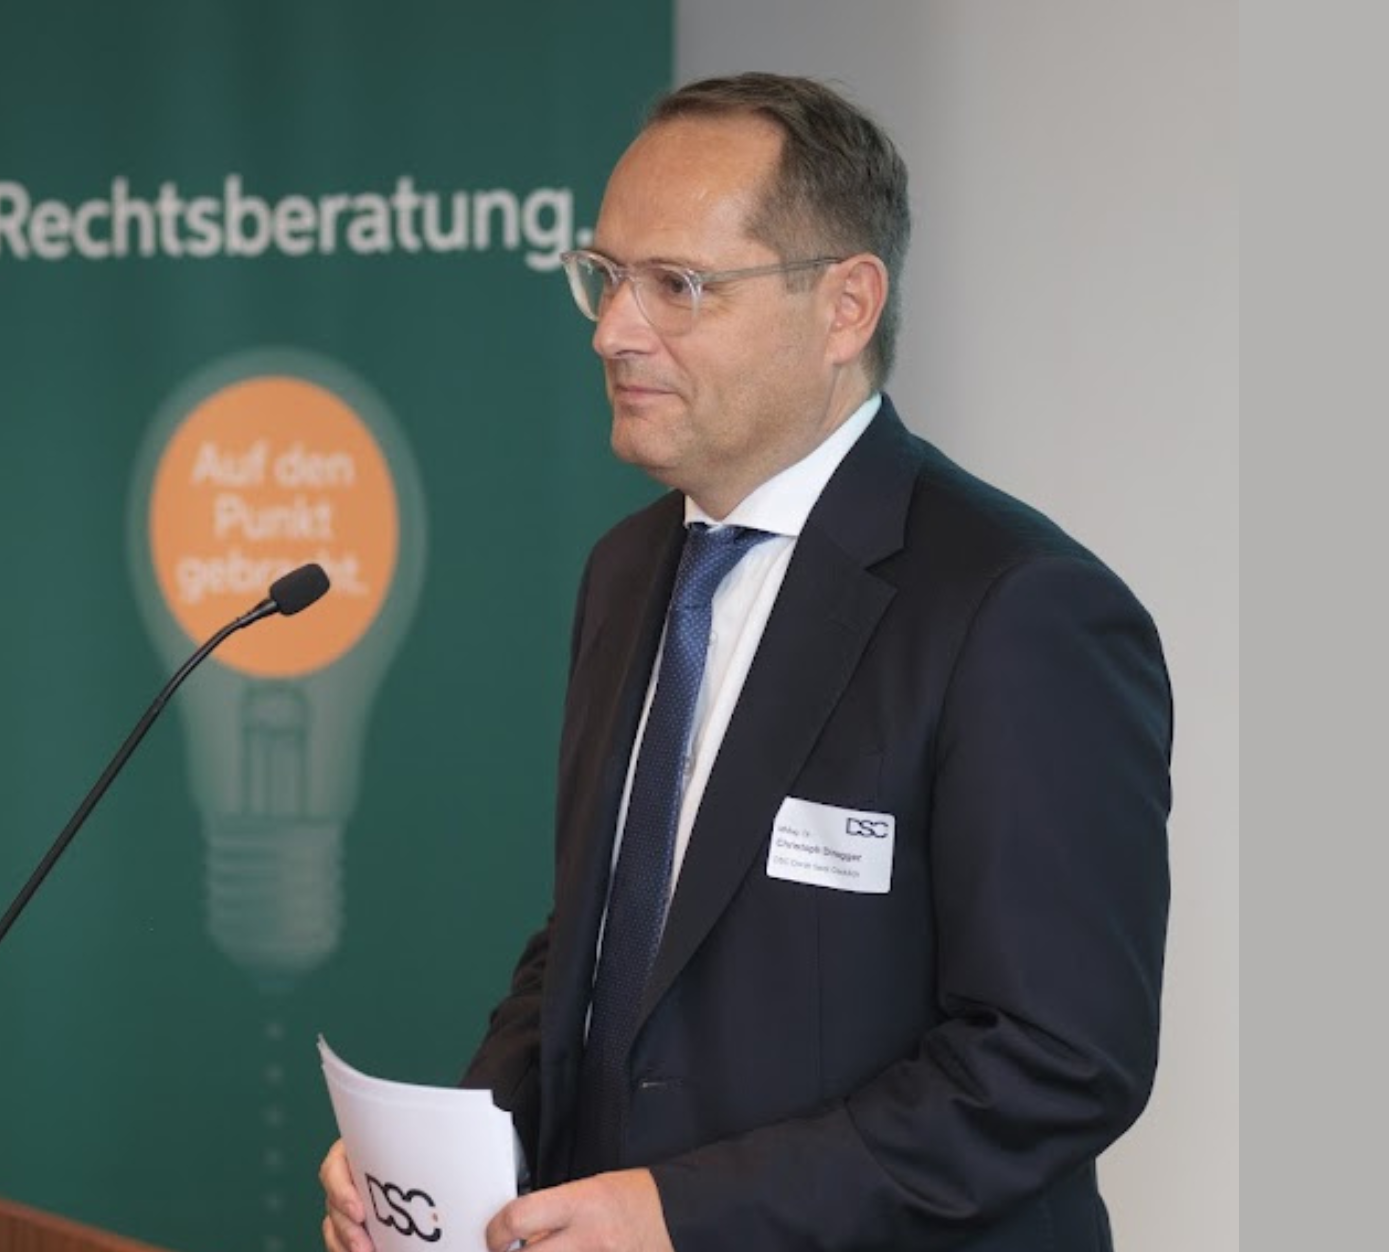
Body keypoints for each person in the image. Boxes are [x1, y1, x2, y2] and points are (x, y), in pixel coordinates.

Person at [321, 72, 1172, 1252]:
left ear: (844, 306)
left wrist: (688, 1215)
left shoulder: (1018, 608)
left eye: (677, 285)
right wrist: (442, 1175)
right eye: (604, 275)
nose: (612, 330)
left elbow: (1054, 1061)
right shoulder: (626, 573)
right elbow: (595, 950)